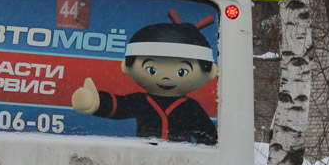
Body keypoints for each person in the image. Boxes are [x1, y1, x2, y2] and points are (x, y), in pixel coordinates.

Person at [71, 13, 219, 145]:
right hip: (141, 161)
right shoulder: (141, 101)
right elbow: (118, 106)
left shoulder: (191, 108)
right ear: (126, 67)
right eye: (151, 69)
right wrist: (95, 102)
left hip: (181, 164)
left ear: (209, 72)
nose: (166, 77)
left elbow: (208, 136)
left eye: (182, 72)